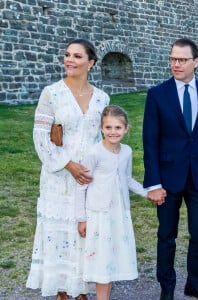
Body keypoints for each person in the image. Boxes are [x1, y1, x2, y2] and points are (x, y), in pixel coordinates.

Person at [26, 38, 110, 300]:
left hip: (89, 178)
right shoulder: (52, 93)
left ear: (91, 63)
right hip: (59, 178)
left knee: (86, 232)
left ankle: (81, 290)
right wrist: (69, 165)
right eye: (67, 55)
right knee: (60, 234)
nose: (69, 60)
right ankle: (63, 291)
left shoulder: (102, 97)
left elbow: (104, 138)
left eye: (77, 56)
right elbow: (40, 137)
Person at [143, 38, 198, 300]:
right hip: (167, 178)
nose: (176, 64)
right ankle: (167, 288)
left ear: (195, 62)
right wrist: (153, 183)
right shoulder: (157, 94)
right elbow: (149, 141)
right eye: (173, 59)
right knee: (167, 236)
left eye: (182, 60)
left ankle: (194, 284)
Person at [75, 105, 147, 300]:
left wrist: (148, 194)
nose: (113, 132)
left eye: (117, 128)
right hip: (99, 214)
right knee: (101, 261)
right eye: (108, 127)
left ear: (126, 129)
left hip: (119, 214)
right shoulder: (94, 153)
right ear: (101, 128)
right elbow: (81, 187)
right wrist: (82, 219)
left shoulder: (127, 152)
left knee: (111, 260)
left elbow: (128, 179)